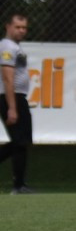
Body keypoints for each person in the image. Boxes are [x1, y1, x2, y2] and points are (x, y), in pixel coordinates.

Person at [1, 13, 34, 195]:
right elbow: (7, 77)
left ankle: (20, 184)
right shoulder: (7, 47)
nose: (21, 31)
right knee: (19, 142)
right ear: (8, 27)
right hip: (12, 98)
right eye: (18, 27)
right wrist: (12, 107)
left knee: (20, 142)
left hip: (18, 97)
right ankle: (18, 186)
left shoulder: (15, 47)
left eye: (24, 27)